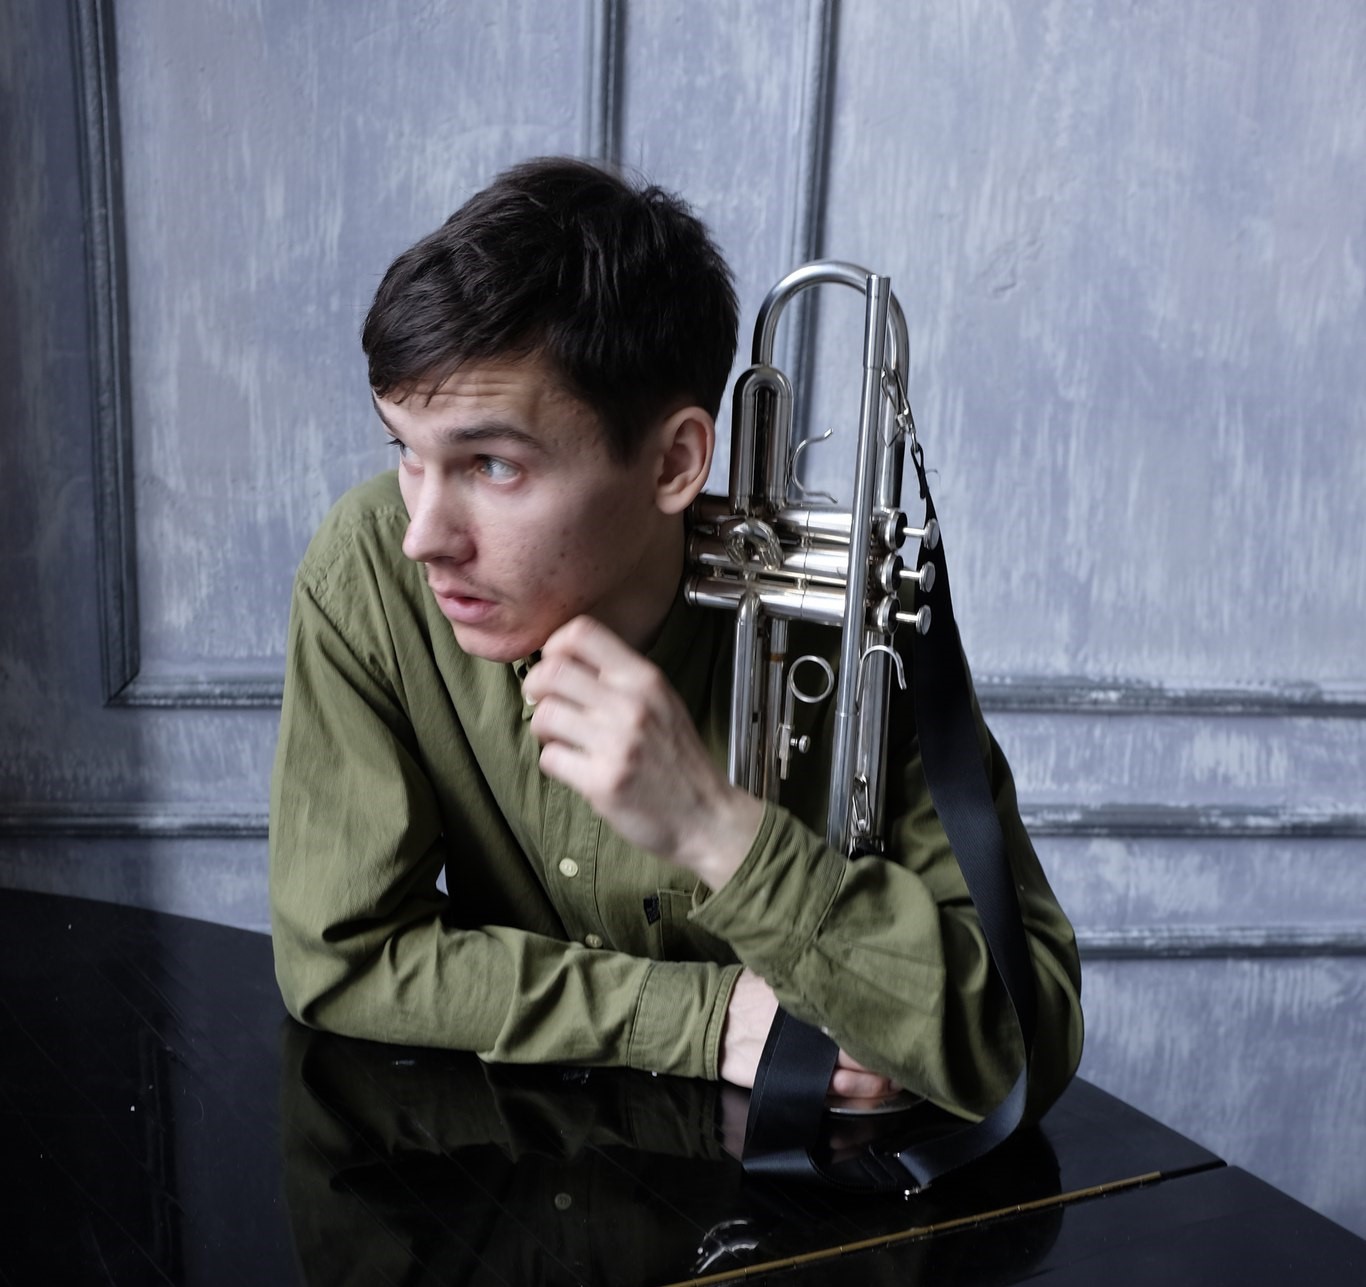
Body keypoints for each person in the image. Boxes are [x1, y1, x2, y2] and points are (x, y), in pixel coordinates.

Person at [269, 156, 1083, 1118]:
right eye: (406, 451)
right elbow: (342, 953)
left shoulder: (849, 631)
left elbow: (1025, 1047)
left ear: (674, 462)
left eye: (491, 464)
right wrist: (705, 1018)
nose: (425, 535)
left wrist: (716, 831)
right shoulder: (370, 570)